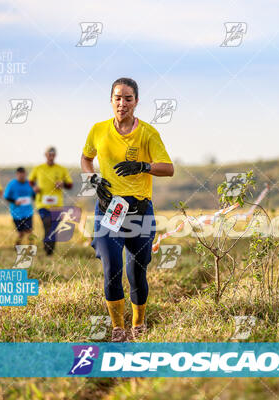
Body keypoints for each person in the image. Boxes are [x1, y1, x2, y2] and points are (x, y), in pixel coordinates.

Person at [81, 77, 174, 342]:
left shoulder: (147, 133)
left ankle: (139, 322)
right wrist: (92, 178)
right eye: (118, 98)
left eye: (128, 98)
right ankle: (117, 329)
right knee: (111, 267)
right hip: (109, 209)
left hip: (140, 212)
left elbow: (168, 168)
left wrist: (143, 166)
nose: (122, 103)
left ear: (136, 102)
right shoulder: (98, 130)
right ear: (111, 100)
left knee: (137, 270)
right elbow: (86, 159)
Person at [28, 146, 73, 256]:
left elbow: (70, 184)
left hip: (57, 204)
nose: (51, 157)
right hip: (42, 203)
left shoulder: (61, 169)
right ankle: (47, 249)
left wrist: (63, 184)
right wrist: (34, 187)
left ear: (55, 155)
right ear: (45, 155)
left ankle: (50, 250)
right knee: (47, 224)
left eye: (53, 155)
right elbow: (30, 181)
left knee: (54, 228)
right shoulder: (38, 168)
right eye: (49, 154)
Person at [3, 167, 35, 246]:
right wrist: (14, 201)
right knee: (21, 233)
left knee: (29, 230)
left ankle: (31, 246)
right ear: (17, 175)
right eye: (19, 175)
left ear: (25, 174)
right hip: (16, 213)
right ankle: (17, 244)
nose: (21, 176)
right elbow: (6, 196)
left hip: (28, 212)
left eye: (23, 174)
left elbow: (34, 195)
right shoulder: (12, 184)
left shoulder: (29, 183)